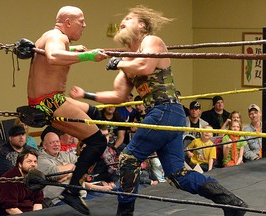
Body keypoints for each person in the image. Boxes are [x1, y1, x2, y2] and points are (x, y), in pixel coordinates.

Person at [70, 5, 247, 216]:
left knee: (128, 159)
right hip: (164, 116)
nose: (123, 21)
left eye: (129, 18)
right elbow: (118, 96)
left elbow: (145, 67)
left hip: (166, 110)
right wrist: (86, 94)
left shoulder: (151, 41)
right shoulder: (128, 59)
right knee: (177, 175)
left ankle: (124, 213)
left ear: (142, 25)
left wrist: (118, 63)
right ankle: (231, 202)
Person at [27, 6, 108, 214]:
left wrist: (74, 50)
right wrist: (89, 56)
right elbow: (53, 56)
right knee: (99, 141)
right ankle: (73, 188)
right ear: (68, 22)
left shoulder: (53, 37)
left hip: (49, 99)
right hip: (49, 101)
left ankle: (81, 156)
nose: (85, 25)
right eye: (81, 21)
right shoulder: (57, 36)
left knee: (95, 113)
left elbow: (49, 54)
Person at [38, 131, 114, 206]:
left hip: (81, 194)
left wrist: (67, 174)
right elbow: (54, 174)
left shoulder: (66, 155)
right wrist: (73, 168)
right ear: (44, 145)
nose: (56, 144)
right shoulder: (41, 159)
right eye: (52, 142)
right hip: (58, 198)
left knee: (105, 203)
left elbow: (85, 167)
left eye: (57, 142)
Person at [0, 148, 43, 216]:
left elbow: (38, 201)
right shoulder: (10, 179)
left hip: (27, 212)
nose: (33, 164)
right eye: (29, 161)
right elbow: (10, 208)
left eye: (35, 162)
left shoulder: (34, 176)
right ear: (20, 164)